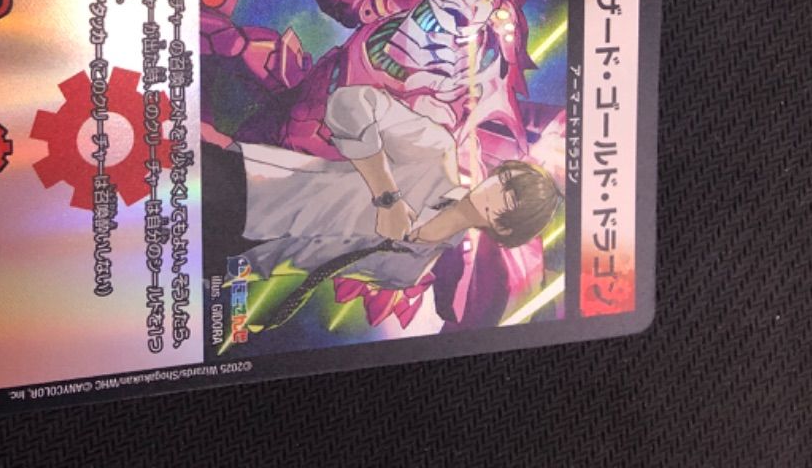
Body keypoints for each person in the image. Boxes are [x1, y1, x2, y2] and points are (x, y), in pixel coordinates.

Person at [203, 83, 558, 332]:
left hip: (237, 260)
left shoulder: (407, 272)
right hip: (246, 187)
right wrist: (387, 196)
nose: (495, 184)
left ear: (505, 228)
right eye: (505, 176)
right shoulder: (435, 154)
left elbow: (307, 269)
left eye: (509, 195)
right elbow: (349, 102)